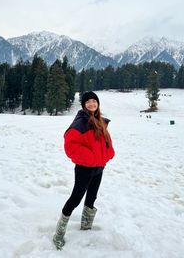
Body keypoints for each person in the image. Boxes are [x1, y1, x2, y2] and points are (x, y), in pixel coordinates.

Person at [53, 91, 115, 250]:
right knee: (75, 199)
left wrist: (108, 155)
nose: (92, 104)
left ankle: (86, 227)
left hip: (99, 168)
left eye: (94, 101)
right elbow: (70, 146)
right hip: (85, 169)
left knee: (91, 198)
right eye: (88, 102)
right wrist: (92, 158)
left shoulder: (99, 121)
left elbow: (106, 142)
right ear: (84, 105)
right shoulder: (80, 123)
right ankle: (59, 233)